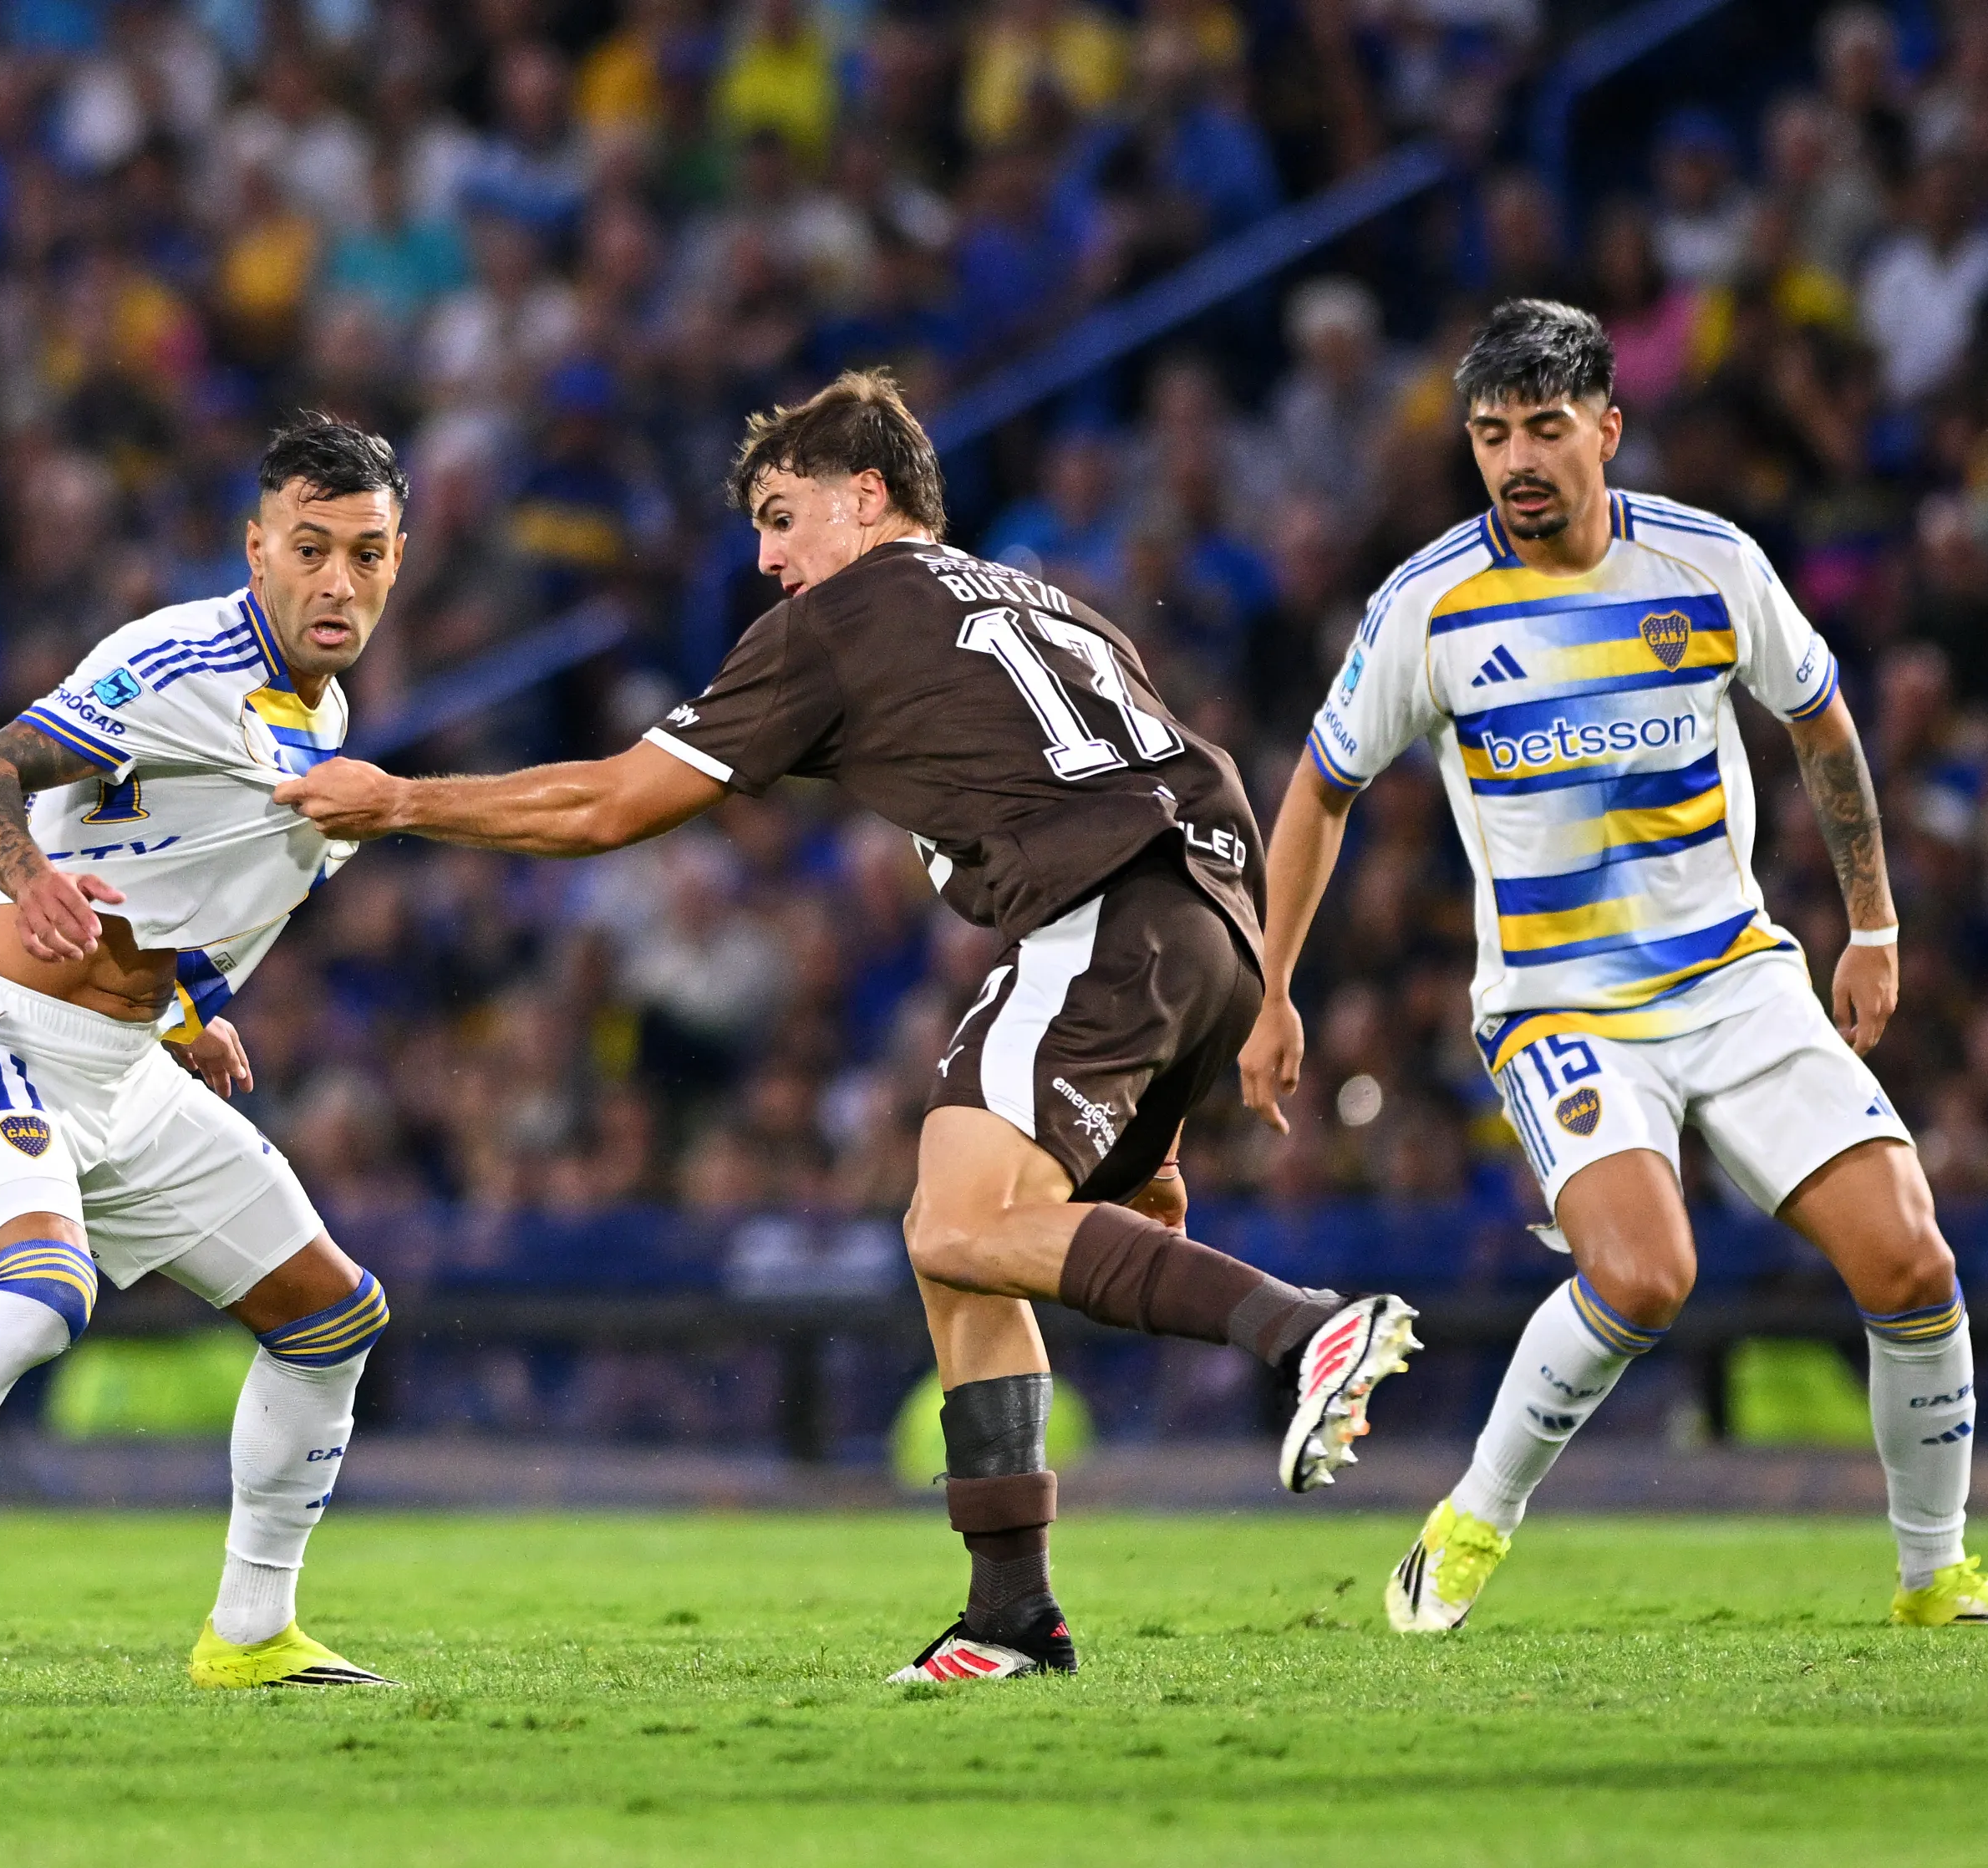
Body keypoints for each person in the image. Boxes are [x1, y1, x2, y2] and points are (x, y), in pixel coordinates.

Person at [277, 370, 1421, 1682]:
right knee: (962, 1248)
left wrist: (401, 801)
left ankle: (1299, 1327)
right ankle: (1010, 1615)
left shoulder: (845, 618)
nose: (767, 561)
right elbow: (1174, 769)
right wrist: (1174, 1089)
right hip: (1203, 917)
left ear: (866, 498)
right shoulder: (1047, 596)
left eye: (780, 517)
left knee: (956, 1224)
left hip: (1104, 918)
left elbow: (607, 805)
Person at [1238, 300, 1988, 1635]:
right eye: (1491, 433)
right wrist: (1273, 988)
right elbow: (1320, 791)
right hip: (1560, 1004)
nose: (1516, 459)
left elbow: (1823, 724)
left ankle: (1936, 1578)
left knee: (1911, 1258)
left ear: (1607, 430)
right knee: (1644, 1274)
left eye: (1545, 430)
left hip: (1738, 979)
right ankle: (1467, 1525)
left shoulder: (1709, 564)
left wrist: (1874, 924)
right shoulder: (1429, 608)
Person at [0, 415, 417, 1689]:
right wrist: (28, 874)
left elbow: (169, 898)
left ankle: (251, 1636)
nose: (338, 581)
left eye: (366, 554)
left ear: (398, 560)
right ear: (257, 547)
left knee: (333, 1315)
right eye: (311, 548)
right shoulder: (176, 660)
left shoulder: (323, 723)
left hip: (126, 1070)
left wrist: (184, 1020)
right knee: (47, 1296)